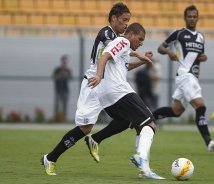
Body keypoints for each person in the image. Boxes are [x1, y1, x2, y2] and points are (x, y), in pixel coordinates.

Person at [41, 2, 131, 175]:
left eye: (128, 21)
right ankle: (51, 158)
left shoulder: (118, 40)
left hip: (106, 86)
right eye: (124, 20)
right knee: (85, 127)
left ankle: (96, 140)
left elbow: (121, 61)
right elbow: (110, 46)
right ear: (114, 18)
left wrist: (138, 57)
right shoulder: (106, 32)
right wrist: (130, 51)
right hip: (93, 84)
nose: (126, 24)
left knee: (126, 119)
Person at [88, 22, 164, 179]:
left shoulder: (124, 48)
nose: (141, 43)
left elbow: (124, 67)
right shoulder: (123, 41)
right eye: (140, 39)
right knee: (150, 123)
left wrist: (142, 61)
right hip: (118, 91)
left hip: (106, 96)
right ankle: (142, 161)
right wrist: (98, 75)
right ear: (131, 34)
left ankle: (144, 170)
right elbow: (104, 56)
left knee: (132, 123)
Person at [152, 5, 214, 153]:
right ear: (185, 18)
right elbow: (160, 48)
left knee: (176, 111)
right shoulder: (178, 34)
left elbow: (199, 56)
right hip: (185, 76)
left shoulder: (201, 37)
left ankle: (148, 117)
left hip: (192, 78)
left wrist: (203, 57)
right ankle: (209, 142)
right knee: (201, 106)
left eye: (194, 16)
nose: (192, 19)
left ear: (197, 18)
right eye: (189, 16)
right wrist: (169, 51)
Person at [52, 55, 72, 121]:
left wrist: (66, 75)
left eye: (65, 61)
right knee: (57, 104)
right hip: (58, 89)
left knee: (64, 104)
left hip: (65, 89)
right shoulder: (57, 70)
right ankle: (56, 118)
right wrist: (60, 75)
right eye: (63, 61)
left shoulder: (67, 70)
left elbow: (70, 77)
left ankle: (64, 118)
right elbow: (54, 77)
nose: (64, 62)